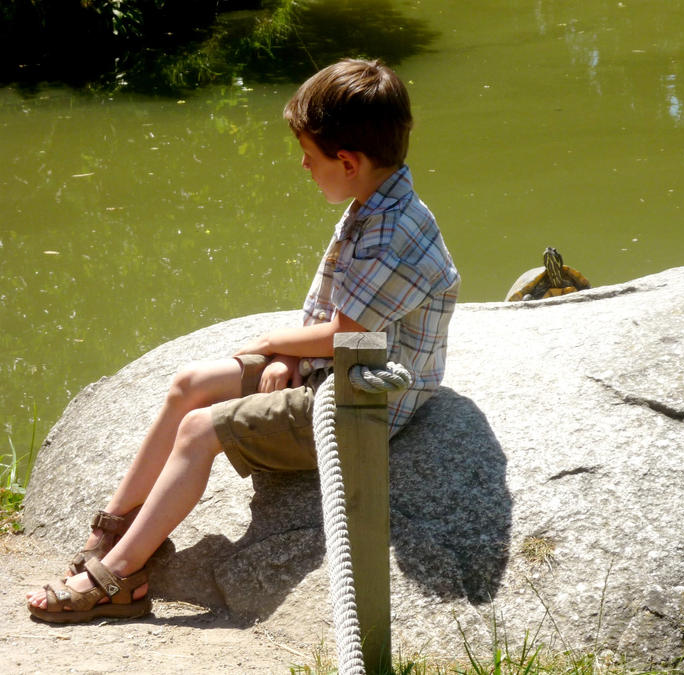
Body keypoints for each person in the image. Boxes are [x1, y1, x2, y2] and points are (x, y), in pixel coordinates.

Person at [27, 58, 460, 623]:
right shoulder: (372, 203)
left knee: (200, 428)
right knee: (190, 384)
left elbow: (348, 334)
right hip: (330, 367)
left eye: (310, 155)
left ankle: (121, 577)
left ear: (348, 162)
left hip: (361, 403)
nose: (303, 165)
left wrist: (274, 342)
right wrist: (284, 356)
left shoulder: (391, 233)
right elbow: (328, 309)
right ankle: (121, 525)